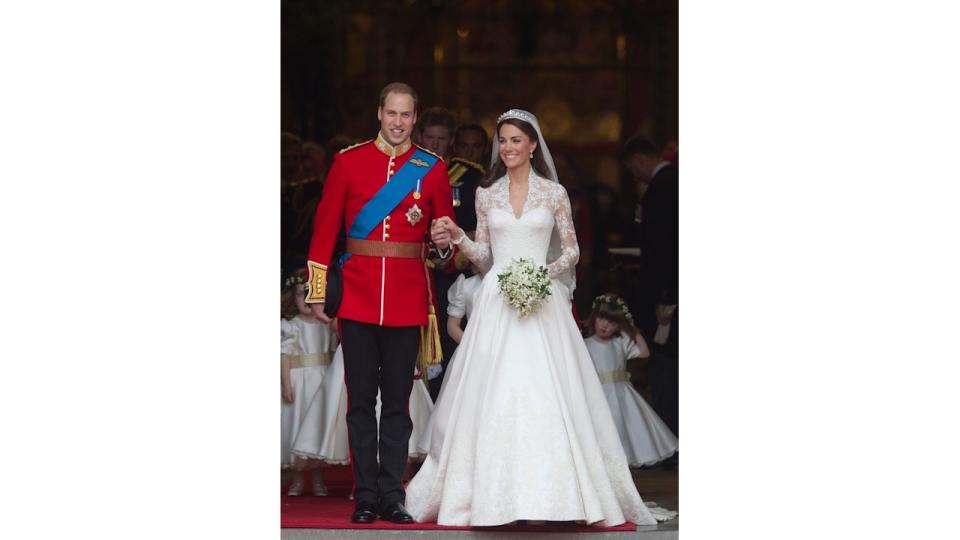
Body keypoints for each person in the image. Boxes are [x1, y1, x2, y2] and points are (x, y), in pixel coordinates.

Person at [407, 109, 675, 526]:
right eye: (504, 140)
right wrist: (459, 237)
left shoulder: (554, 194)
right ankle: (492, 496)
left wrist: (540, 275)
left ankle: (553, 496)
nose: (509, 147)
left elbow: (571, 251)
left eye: (517, 140)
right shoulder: (486, 193)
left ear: (533, 145)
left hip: (541, 299)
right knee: (493, 393)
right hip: (498, 299)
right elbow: (483, 257)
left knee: (547, 392)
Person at [304, 82, 456, 524]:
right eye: (391, 113)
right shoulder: (348, 162)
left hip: (407, 299)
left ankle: (393, 494)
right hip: (357, 298)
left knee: (397, 403)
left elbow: (443, 247)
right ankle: (365, 496)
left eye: (406, 115)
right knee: (358, 402)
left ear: (415, 118)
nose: (397, 122)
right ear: (379, 114)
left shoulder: (432, 168)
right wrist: (318, 290)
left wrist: (446, 245)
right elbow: (324, 229)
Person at [620, 136, 679, 436]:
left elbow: (663, 249)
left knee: (665, 366)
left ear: (640, 160)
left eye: (633, 168)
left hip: (666, 294)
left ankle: (669, 434)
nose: (634, 175)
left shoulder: (662, 188)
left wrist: (664, 296)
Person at [583, 294, 678, 467]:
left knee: (625, 428)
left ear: (619, 325)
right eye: (602, 319)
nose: (605, 325)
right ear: (594, 317)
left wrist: (632, 329)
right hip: (599, 394)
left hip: (622, 395)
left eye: (612, 322)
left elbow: (644, 353)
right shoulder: (585, 344)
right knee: (604, 429)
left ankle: (622, 467)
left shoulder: (621, 341)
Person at [280, 270, 337, 496]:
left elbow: (333, 354)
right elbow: (284, 356)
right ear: (291, 299)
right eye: (299, 295)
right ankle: (296, 479)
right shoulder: (291, 325)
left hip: (322, 380)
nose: (305, 300)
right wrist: (286, 384)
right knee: (297, 423)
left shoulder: (326, 324)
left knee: (317, 427)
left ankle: (318, 478)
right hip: (299, 380)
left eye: (310, 294)